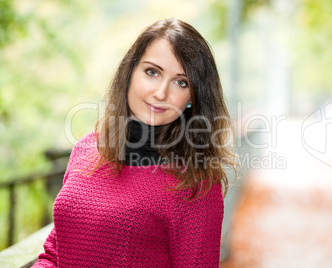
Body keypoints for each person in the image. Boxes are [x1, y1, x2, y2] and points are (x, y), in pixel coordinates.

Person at [33, 18, 236, 267]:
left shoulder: (195, 181)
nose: (161, 93)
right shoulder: (86, 148)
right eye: (152, 72)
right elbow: (55, 254)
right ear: (130, 72)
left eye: (181, 82)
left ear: (192, 97)